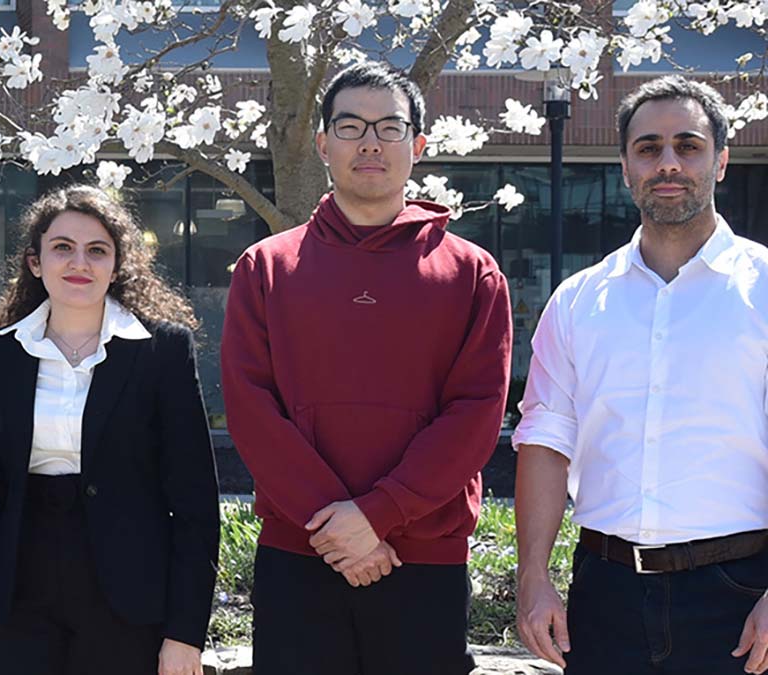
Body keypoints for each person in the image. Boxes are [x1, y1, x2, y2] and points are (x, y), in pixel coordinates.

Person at [220, 61, 512, 675]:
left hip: (424, 557)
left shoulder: (471, 272)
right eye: (350, 126)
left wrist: (377, 515)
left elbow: (477, 413)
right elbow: (250, 407)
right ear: (323, 144)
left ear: (419, 145)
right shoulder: (266, 268)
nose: (371, 142)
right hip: (300, 551)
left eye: (389, 127)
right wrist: (338, 522)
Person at [515, 76, 768, 675]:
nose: (669, 163)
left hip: (739, 595)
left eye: (689, 145)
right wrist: (533, 578)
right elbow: (545, 443)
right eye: (649, 149)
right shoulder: (577, 302)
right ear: (626, 167)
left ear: (722, 160)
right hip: (604, 596)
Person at [0, 185, 219, 675]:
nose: (80, 262)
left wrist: (185, 634)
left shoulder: (162, 351)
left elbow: (195, 502)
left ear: (117, 266)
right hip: (21, 596)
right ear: (35, 262)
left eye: (97, 250)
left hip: (130, 597)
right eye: (62, 248)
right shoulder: (2, 354)